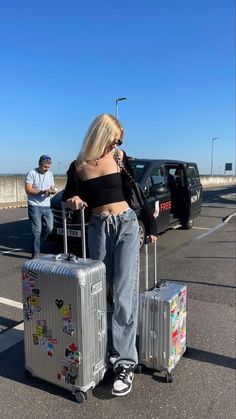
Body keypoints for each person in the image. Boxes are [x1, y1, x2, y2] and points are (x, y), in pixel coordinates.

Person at [62, 114, 157, 397]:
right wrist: (74, 199)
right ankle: (103, 352)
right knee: (102, 293)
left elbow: (136, 192)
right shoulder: (77, 166)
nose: (119, 141)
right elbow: (69, 195)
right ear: (102, 133)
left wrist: (150, 226)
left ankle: (126, 363)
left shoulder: (119, 157)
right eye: (116, 135)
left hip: (126, 225)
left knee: (125, 293)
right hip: (98, 227)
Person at [25, 155, 56, 259]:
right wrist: (42, 191)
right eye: (44, 167)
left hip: (47, 205)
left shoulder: (50, 174)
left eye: (48, 167)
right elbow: (28, 189)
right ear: (39, 164)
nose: (46, 169)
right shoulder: (32, 173)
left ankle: (38, 242)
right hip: (34, 205)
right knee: (37, 230)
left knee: (50, 228)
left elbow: (51, 186)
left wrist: (52, 190)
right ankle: (35, 253)